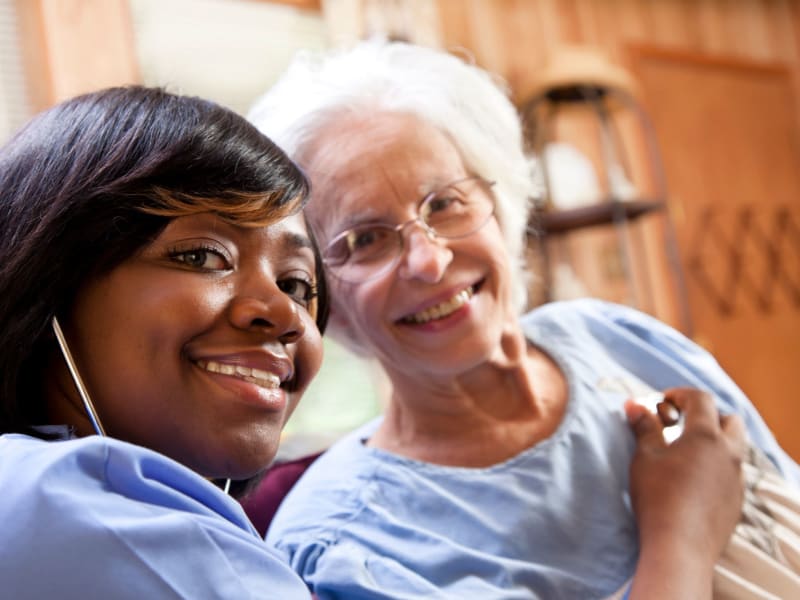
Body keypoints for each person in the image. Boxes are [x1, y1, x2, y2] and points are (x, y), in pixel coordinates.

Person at [247, 39, 800, 599]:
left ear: (503, 203)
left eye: (444, 203)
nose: (430, 260)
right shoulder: (348, 550)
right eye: (364, 239)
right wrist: (681, 533)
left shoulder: (617, 339)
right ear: (317, 300)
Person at [0, 85, 329, 598]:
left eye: (296, 284)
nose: (286, 313)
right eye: (201, 257)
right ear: (48, 281)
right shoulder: (65, 504)